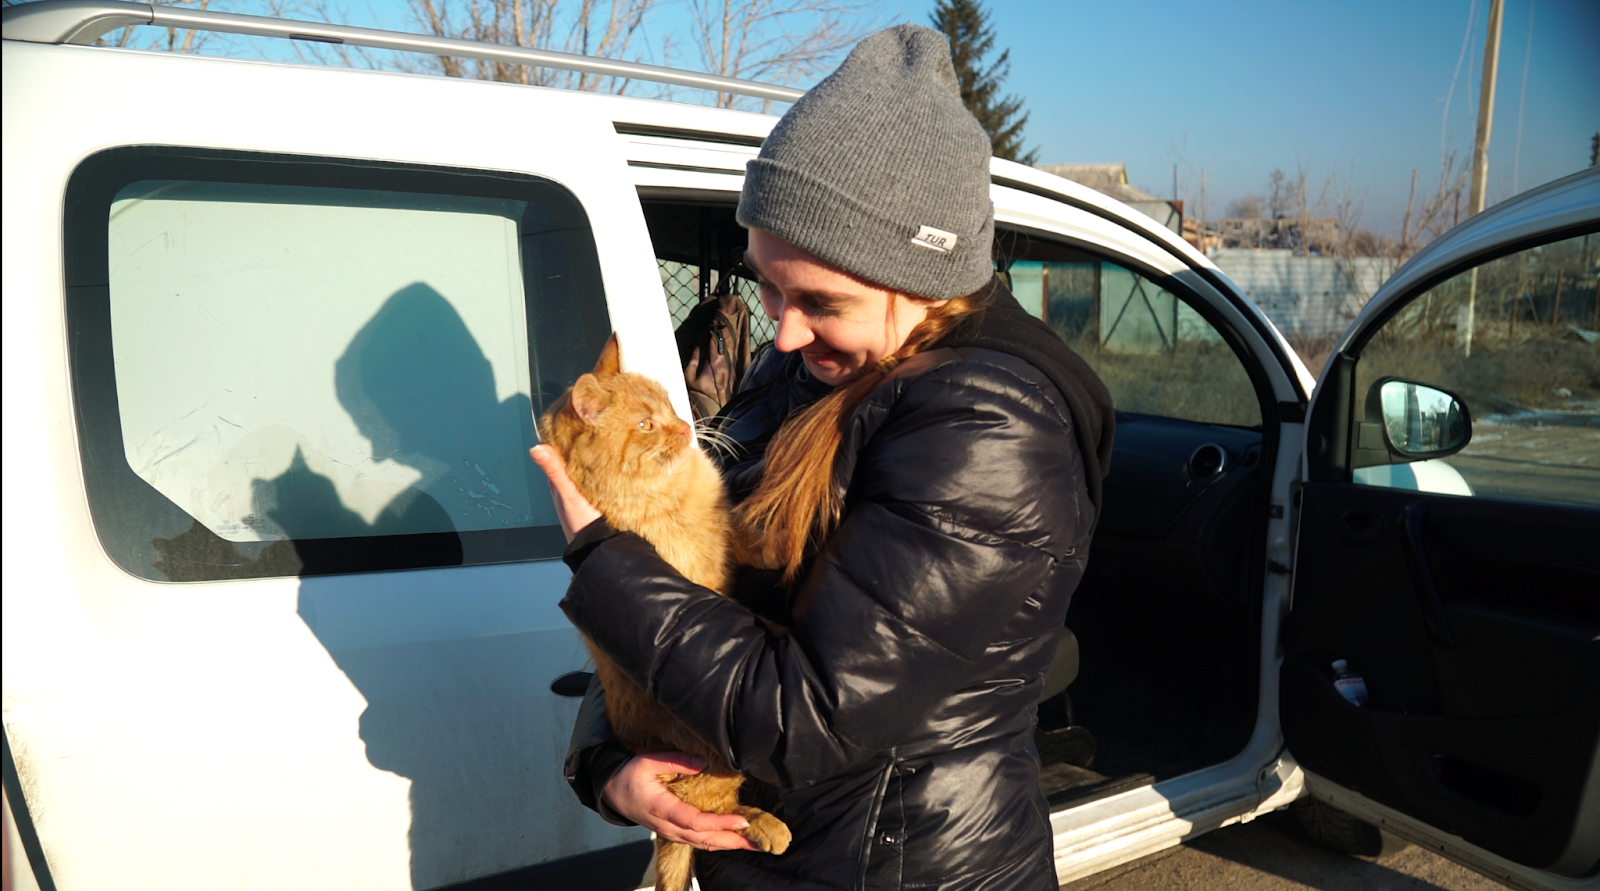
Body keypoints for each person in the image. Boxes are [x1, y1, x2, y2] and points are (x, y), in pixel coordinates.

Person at [531, 23, 1113, 891]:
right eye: (768, 283)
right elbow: (703, 606)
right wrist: (614, 767)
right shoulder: (818, 363)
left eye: (819, 300)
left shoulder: (992, 426)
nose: (782, 327)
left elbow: (802, 717)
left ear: (922, 276)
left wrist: (605, 563)